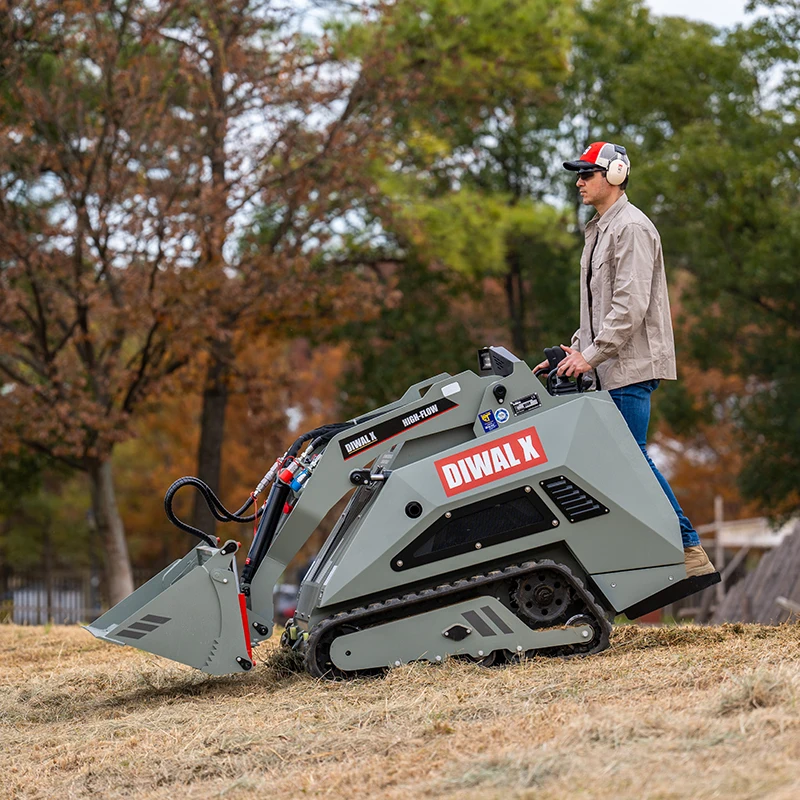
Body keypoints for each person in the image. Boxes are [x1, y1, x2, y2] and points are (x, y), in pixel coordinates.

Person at [534, 141, 716, 579]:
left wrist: (591, 356)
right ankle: (651, 554)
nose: (578, 182)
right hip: (609, 364)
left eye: (586, 174)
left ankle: (688, 550)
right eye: (578, 175)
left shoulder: (631, 228)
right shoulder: (601, 230)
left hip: (629, 368)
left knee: (630, 462)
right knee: (614, 465)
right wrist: (574, 351)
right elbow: (599, 310)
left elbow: (629, 307)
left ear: (615, 174)